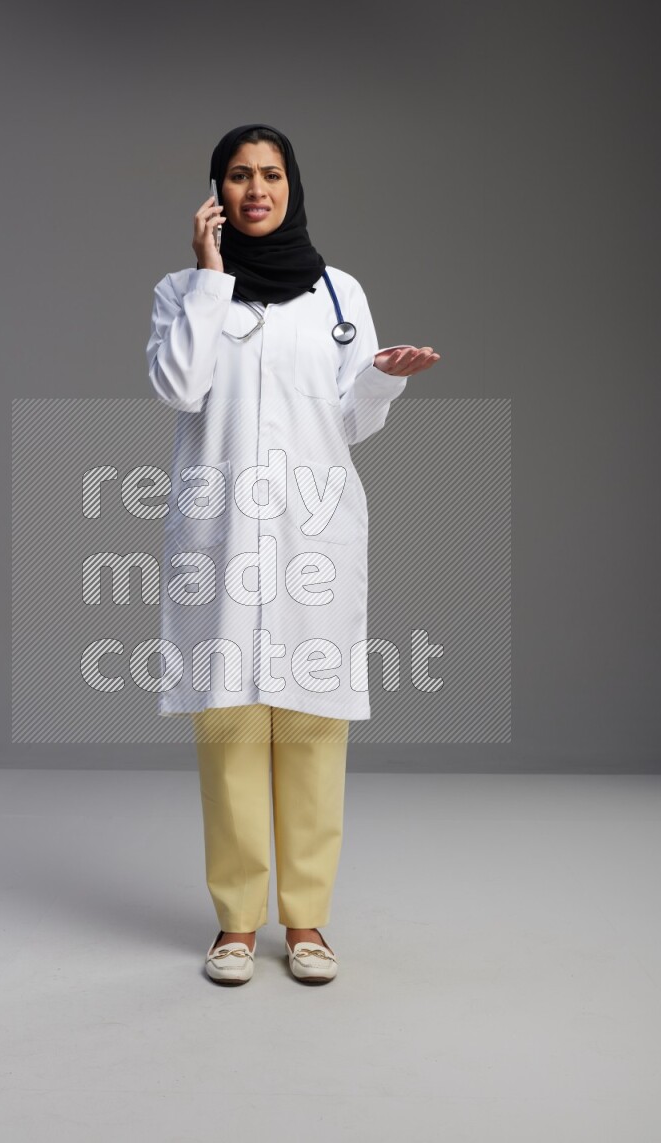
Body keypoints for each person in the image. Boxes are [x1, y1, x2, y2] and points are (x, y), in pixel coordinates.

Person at [146, 123, 440, 985]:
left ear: (293, 185)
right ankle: (236, 925)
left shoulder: (339, 293)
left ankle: (306, 923)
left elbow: (351, 421)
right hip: (224, 531)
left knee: (313, 727)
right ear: (216, 191)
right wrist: (210, 279)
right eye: (238, 176)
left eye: (270, 174)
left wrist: (384, 374)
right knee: (231, 723)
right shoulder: (181, 290)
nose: (256, 189)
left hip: (314, 533)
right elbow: (177, 385)